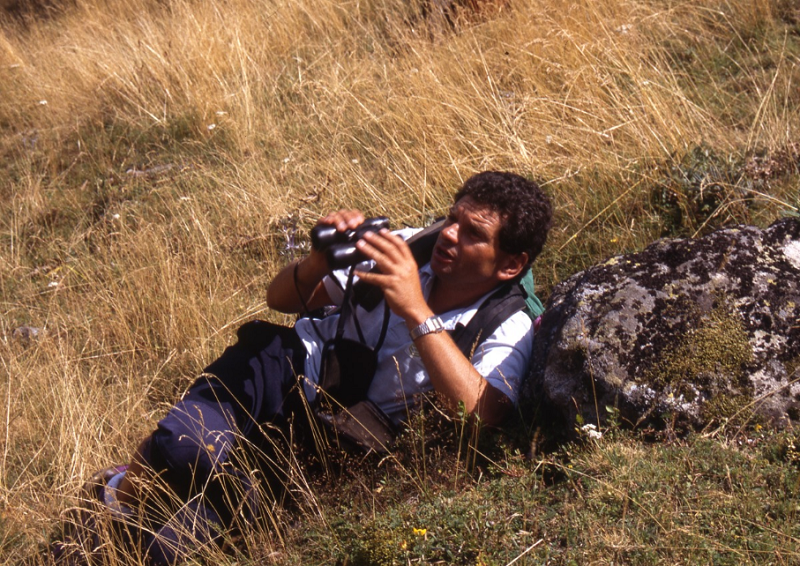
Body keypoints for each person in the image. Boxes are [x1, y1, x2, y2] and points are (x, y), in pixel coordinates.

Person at [65, 171, 552, 565]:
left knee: (161, 551)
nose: (448, 234)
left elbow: (483, 414)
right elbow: (280, 299)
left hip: (335, 441)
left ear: (510, 265)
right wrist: (319, 262)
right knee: (186, 445)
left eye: (473, 234)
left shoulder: (509, 325)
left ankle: (129, 518)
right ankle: (117, 489)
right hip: (286, 368)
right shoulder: (404, 249)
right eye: (452, 218)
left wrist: (416, 311)